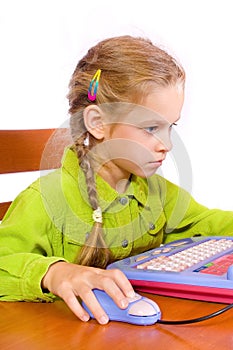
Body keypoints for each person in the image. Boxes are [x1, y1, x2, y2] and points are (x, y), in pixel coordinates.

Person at [1, 35, 233, 325]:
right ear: (97, 123)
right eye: (151, 127)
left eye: (169, 127)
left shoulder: (157, 193)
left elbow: (207, 223)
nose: (167, 145)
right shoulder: (45, 200)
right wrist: (55, 272)